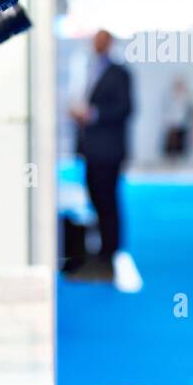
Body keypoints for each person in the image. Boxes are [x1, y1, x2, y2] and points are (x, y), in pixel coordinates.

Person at [69, 29, 133, 281]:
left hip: (109, 150)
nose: (96, 44)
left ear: (109, 44)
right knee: (95, 196)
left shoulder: (120, 73)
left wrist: (94, 114)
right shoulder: (87, 71)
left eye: (100, 40)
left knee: (108, 201)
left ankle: (110, 253)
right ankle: (102, 251)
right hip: (91, 149)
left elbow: (126, 108)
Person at [162, 78, 192, 161]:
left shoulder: (186, 98)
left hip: (181, 127)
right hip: (171, 127)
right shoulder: (169, 98)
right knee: (171, 150)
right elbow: (166, 113)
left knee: (181, 150)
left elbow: (186, 114)